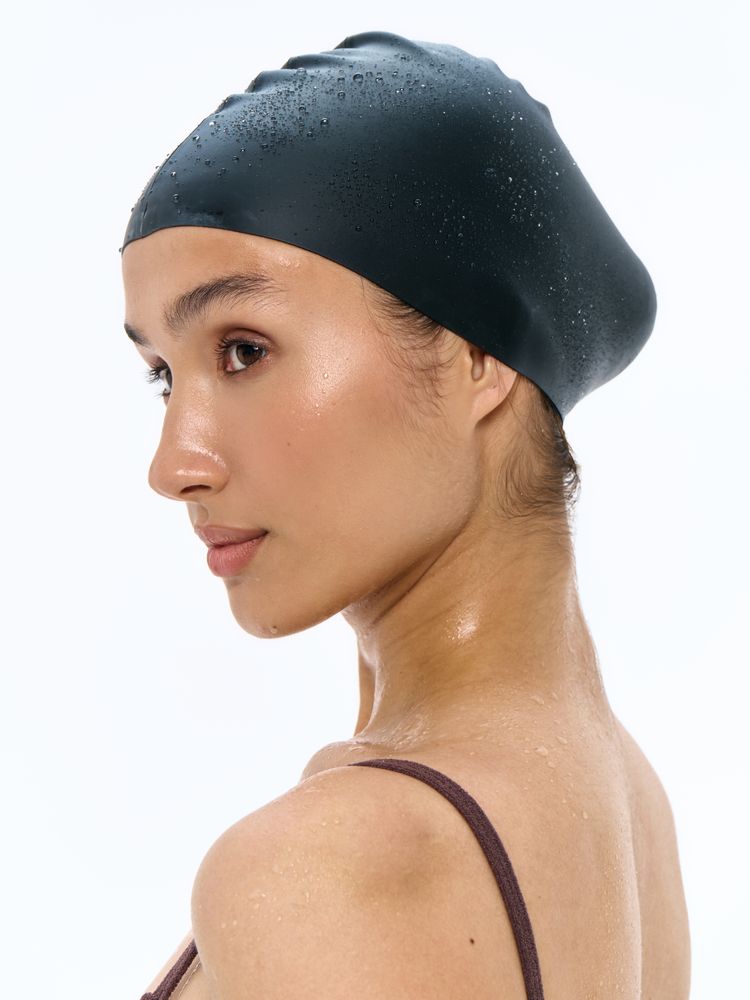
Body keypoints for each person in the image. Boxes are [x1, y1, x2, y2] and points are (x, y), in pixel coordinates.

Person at [121, 31, 690, 1000]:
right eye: (163, 376)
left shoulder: (330, 869)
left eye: (244, 350)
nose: (174, 465)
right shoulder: (624, 801)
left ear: (477, 357)